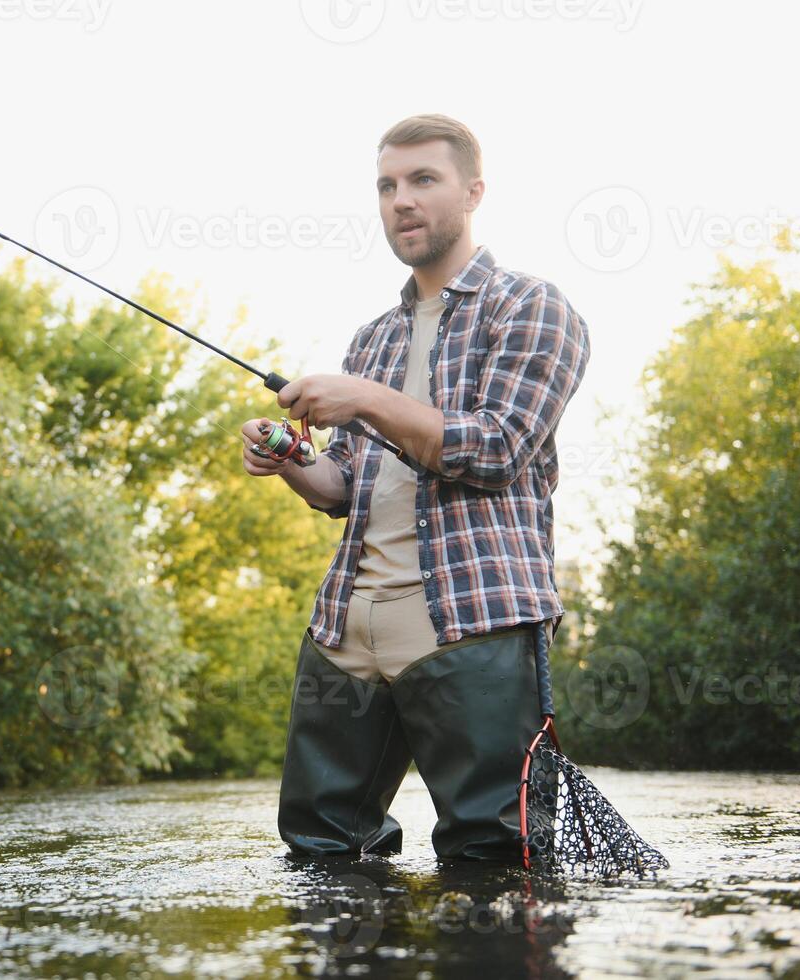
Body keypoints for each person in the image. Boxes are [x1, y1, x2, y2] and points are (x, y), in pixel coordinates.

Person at [241, 113, 590, 862]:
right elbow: (345, 489)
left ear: (472, 192)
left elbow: (497, 449)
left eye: (422, 181)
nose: (400, 200)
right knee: (318, 848)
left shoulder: (531, 305)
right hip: (346, 624)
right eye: (386, 185)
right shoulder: (370, 339)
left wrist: (364, 400)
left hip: (475, 624)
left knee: (494, 856)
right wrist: (292, 461)